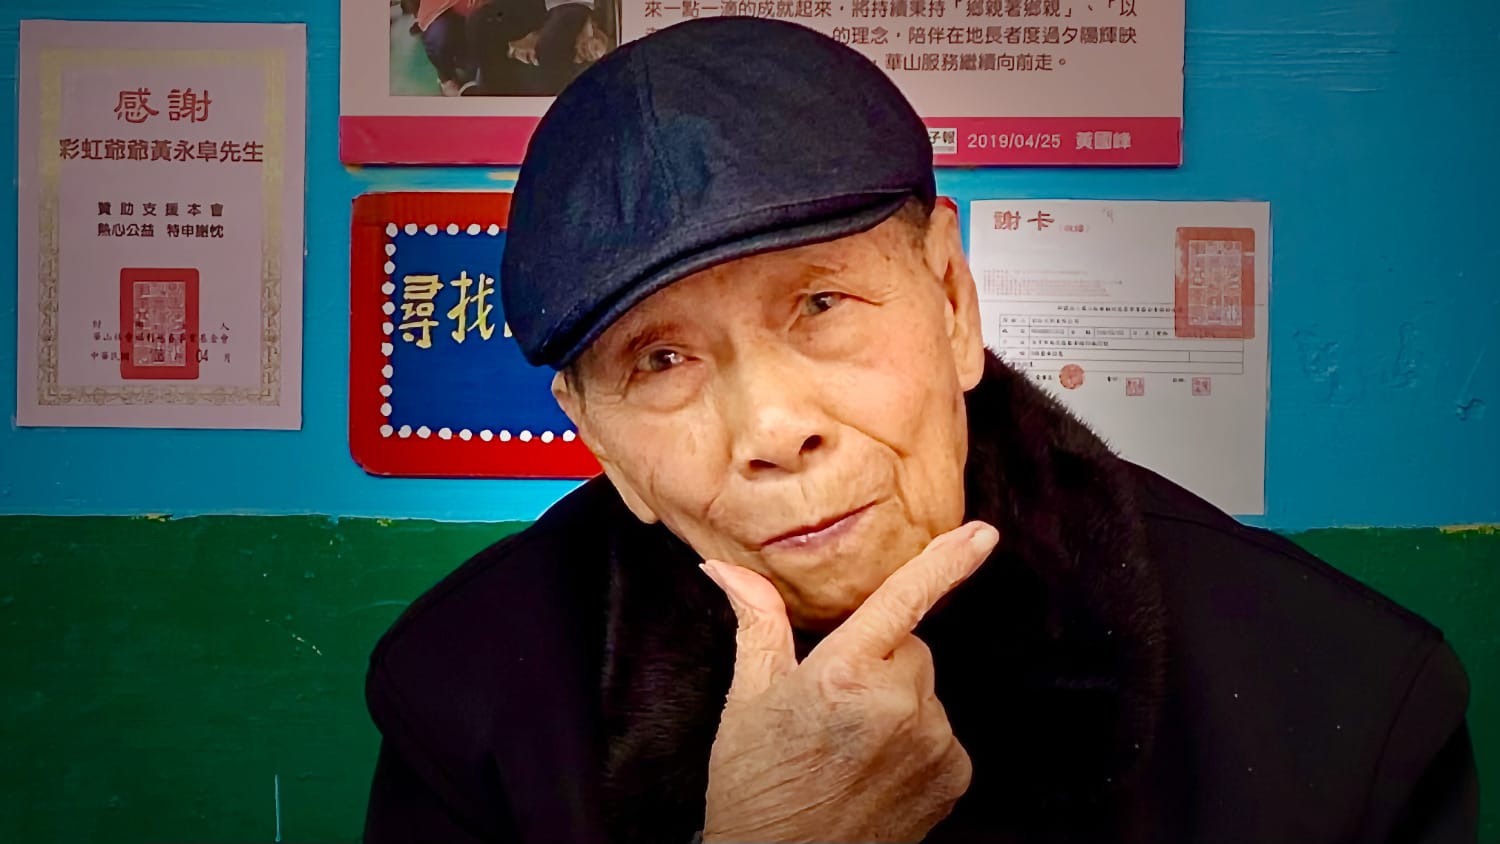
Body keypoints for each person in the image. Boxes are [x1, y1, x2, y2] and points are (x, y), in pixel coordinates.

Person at [360, 17, 1478, 844]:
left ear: (952, 301)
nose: (775, 429)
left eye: (821, 306)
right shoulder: (464, 699)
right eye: (661, 361)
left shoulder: (1341, 699)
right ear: (600, 441)